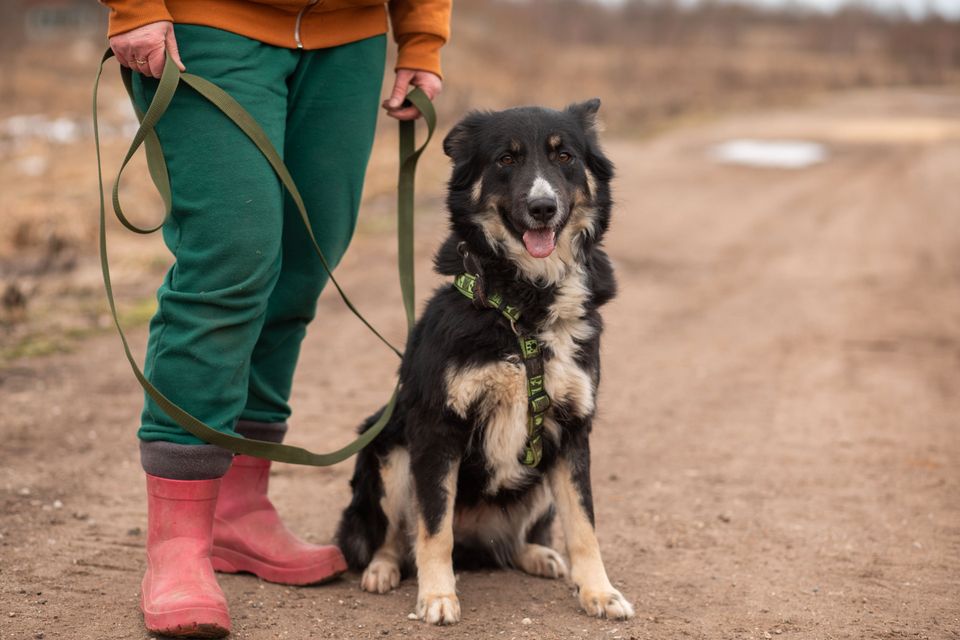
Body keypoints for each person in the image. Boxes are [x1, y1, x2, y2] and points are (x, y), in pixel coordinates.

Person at [101, 0, 449, 636]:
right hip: (208, 21)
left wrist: (422, 37)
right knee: (230, 261)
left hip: (351, 34)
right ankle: (177, 545)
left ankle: (239, 507)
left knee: (299, 267)